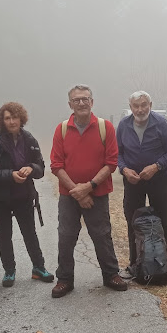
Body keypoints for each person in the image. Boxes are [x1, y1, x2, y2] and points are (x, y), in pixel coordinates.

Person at [49, 84, 127, 298]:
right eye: (77, 100)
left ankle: (111, 275)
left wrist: (89, 186)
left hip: (98, 194)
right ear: (70, 104)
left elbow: (111, 163)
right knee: (66, 237)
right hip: (69, 195)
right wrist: (77, 191)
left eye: (85, 99)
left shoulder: (105, 127)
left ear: (92, 102)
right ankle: (64, 279)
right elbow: (56, 165)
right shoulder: (61, 129)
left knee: (102, 235)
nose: (81, 103)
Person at [0, 102, 54, 287]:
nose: (12, 121)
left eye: (15, 117)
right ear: (2, 121)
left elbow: (40, 167)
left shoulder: (29, 140)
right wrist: (11, 175)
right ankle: (9, 271)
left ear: (21, 119)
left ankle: (38, 268)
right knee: (4, 234)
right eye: (7, 118)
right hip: (0, 198)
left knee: (30, 233)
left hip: (24, 195)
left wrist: (31, 168)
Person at [117, 91, 167, 269]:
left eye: (144, 105)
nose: (140, 109)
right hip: (132, 181)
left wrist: (156, 166)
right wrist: (124, 170)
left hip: (158, 179)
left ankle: (166, 264)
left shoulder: (160, 123)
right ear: (130, 107)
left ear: (150, 105)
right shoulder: (123, 125)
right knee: (133, 222)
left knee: (164, 222)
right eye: (136, 106)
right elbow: (117, 153)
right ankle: (135, 264)